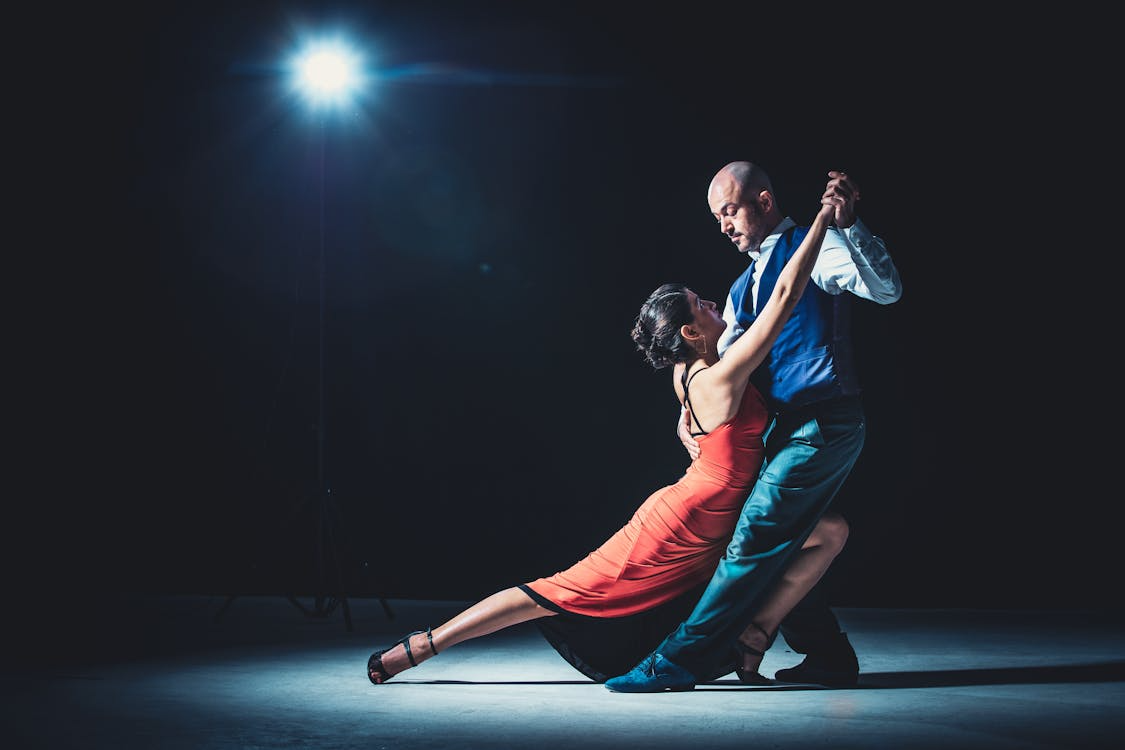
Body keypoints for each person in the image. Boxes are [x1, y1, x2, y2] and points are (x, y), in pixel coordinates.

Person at [367, 190, 843, 686]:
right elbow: (786, 296)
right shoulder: (721, 378)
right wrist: (821, 221)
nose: (713, 303)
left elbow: (694, 420)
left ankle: (754, 638)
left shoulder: (691, 370)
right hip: (683, 523)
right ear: (689, 332)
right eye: (703, 305)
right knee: (557, 592)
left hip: (722, 511)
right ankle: (423, 645)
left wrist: (688, 431)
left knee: (829, 532)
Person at [605, 163, 903, 692]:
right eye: (716, 217)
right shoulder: (741, 288)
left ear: (763, 201)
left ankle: (678, 661)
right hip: (782, 431)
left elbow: (885, 291)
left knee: (754, 538)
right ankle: (827, 653)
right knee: (794, 537)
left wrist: (851, 228)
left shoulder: (820, 248)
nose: (723, 226)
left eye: (729, 211)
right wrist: (686, 406)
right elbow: (716, 360)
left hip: (823, 419)